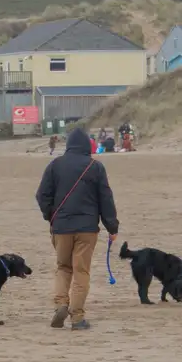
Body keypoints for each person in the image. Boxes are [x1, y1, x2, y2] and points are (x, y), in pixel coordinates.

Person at [35, 126, 120, 331]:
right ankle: (77, 317)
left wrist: (51, 217)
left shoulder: (55, 165)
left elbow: (42, 195)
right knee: (81, 270)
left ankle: (61, 304)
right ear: (86, 146)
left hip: (61, 227)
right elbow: (105, 199)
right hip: (87, 228)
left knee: (63, 268)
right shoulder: (95, 167)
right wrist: (112, 226)